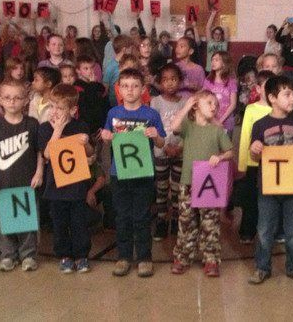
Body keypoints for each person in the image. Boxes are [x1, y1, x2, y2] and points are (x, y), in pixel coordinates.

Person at [99, 68, 166, 278]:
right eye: (125, 86)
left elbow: (162, 142)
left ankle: (145, 257)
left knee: (142, 216)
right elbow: (107, 139)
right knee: (122, 216)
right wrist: (106, 137)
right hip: (119, 173)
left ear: (143, 89)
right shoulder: (113, 113)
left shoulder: (151, 114)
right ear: (118, 89)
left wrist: (156, 136)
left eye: (135, 86)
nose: (130, 90)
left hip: (143, 173)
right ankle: (124, 256)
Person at [247, 75, 293, 286]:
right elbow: (254, 156)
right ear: (272, 97)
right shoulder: (260, 125)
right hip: (268, 187)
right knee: (265, 230)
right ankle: (262, 267)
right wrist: (254, 149)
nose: (292, 98)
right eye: (286, 94)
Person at [0, 79, 44, 272]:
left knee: (27, 221)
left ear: (26, 100)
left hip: (27, 182)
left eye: (17, 98)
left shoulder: (32, 124)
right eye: (7, 98)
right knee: (5, 221)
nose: (12, 102)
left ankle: (28, 255)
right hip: (3, 183)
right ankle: (8, 254)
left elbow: (39, 152)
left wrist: (39, 171)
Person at [169, 90, 234, 277]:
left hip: (210, 184)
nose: (214, 107)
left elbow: (230, 152)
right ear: (197, 105)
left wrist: (220, 157)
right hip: (188, 183)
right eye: (209, 103)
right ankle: (182, 257)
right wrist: (188, 105)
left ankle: (211, 259)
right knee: (186, 222)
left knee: (210, 223)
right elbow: (174, 126)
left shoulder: (217, 130)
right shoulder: (189, 126)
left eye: (216, 104)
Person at [40, 84, 100, 274]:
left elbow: (90, 152)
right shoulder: (44, 128)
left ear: (73, 110)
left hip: (77, 185)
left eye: (60, 108)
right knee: (60, 223)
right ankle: (64, 255)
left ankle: (82, 256)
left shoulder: (80, 126)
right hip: (56, 186)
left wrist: (86, 144)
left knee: (79, 223)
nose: (55, 111)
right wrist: (57, 129)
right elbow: (48, 154)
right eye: (52, 107)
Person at [236, 70, 274, 243]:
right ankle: (247, 230)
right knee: (251, 197)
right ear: (258, 89)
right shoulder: (251, 109)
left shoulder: (279, 109)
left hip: (273, 161)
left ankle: (270, 230)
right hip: (253, 161)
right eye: (267, 87)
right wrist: (243, 164)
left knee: (271, 198)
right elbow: (245, 137)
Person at [150, 64, 186, 241]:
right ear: (160, 82)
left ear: (179, 81)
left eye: (173, 79)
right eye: (165, 80)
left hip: (180, 152)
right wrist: (165, 147)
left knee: (178, 188)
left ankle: (176, 218)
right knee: (162, 187)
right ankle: (162, 219)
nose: (170, 83)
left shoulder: (185, 102)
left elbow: (188, 129)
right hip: (161, 151)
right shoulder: (155, 102)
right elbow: (154, 128)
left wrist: (179, 148)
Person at [203, 51, 237, 133]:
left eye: (217, 60)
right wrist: (213, 120)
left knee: (225, 145)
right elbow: (203, 100)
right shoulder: (208, 81)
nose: (213, 62)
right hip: (210, 121)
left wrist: (220, 121)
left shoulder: (231, 82)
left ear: (224, 63)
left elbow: (233, 104)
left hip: (227, 122)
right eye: (212, 60)